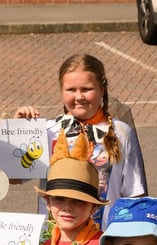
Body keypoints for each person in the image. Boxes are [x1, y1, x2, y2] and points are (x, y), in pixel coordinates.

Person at [13, 54, 147, 228]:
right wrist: (18, 130)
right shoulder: (48, 130)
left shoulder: (121, 133)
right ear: (61, 91)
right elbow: (14, 177)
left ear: (102, 90)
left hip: (103, 238)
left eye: (86, 89)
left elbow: (135, 194)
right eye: (71, 90)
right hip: (54, 239)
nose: (79, 96)